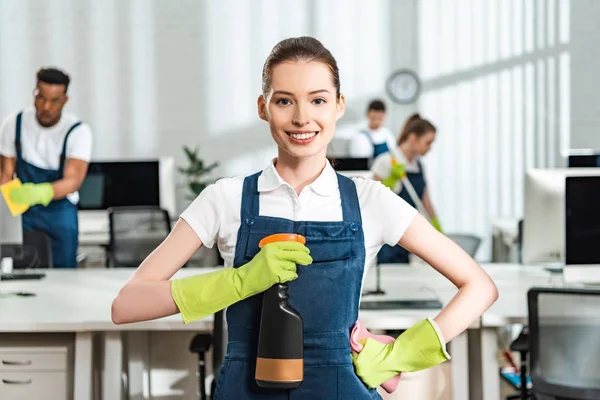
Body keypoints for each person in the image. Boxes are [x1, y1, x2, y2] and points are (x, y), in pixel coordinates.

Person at [111, 37, 498, 399]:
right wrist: (240, 280)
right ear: (263, 107)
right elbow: (127, 304)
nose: (301, 118)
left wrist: (402, 353)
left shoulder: (370, 201)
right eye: (284, 101)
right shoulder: (225, 199)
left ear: (338, 106)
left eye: (317, 100)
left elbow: (478, 286)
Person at [0, 68, 93, 268]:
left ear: (65, 100)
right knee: (18, 268)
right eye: (41, 98)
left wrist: (37, 193)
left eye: (54, 101)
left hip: (60, 214)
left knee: (64, 274)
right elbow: (5, 174)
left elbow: (73, 181)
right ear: (35, 93)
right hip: (23, 213)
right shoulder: (14, 124)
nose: (46, 107)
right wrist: (8, 202)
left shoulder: (77, 131)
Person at [371, 113, 441, 264]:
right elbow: (372, 200)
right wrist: (391, 179)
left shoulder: (419, 166)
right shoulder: (385, 161)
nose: (430, 148)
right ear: (412, 138)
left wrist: (438, 229)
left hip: (410, 235)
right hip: (388, 238)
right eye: (428, 142)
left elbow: (426, 202)